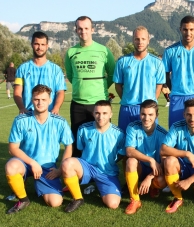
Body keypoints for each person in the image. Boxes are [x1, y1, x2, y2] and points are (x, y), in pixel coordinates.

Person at [5, 84, 73, 214]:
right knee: (11, 166)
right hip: (25, 163)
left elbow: (69, 146)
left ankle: (39, 183)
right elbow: (12, 148)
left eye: (43, 99)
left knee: (55, 202)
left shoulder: (60, 122)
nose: (40, 103)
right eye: (36, 99)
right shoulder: (21, 120)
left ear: (50, 100)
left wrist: (59, 170)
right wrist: (32, 163)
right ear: (32, 100)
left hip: (47, 167)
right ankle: (23, 199)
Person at [61, 100, 126, 213]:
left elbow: (122, 152)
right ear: (93, 113)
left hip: (107, 172)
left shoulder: (119, 133)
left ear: (111, 114)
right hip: (87, 167)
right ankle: (77, 198)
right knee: (67, 163)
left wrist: (112, 161)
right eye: (97, 113)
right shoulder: (83, 129)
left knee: (113, 204)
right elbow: (80, 149)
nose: (101, 117)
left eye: (105, 113)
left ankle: (100, 186)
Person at [65, 16, 116, 157]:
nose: (83, 31)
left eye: (86, 28)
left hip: (99, 103)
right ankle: (79, 174)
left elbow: (112, 74)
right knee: (78, 141)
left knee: (101, 139)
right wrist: (81, 85)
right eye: (80, 29)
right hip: (78, 104)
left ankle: (103, 172)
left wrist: (101, 87)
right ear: (76, 31)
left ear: (92, 29)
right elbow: (70, 75)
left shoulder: (104, 50)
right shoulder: (71, 52)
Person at [162, 15, 194, 127]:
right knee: (176, 133)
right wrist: (174, 89)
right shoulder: (170, 51)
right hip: (177, 97)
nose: (188, 33)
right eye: (185, 29)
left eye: (191, 29)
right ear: (180, 29)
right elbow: (165, 75)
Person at [114, 26, 165, 131]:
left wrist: (151, 104)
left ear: (148, 41)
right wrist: (127, 99)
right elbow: (118, 85)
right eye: (137, 39)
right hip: (127, 108)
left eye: (143, 39)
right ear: (133, 40)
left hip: (148, 110)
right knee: (125, 142)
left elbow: (159, 85)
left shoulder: (157, 63)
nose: (140, 42)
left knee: (149, 143)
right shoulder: (122, 62)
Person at [124, 100, 168, 215]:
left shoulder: (163, 134)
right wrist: (150, 159)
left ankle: (153, 186)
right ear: (140, 114)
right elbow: (129, 151)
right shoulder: (133, 127)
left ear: (156, 115)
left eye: (150, 115)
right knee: (130, 161)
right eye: (143, 114)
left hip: (156, 170)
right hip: (140, 167)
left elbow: (164, 163)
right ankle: (135, 200)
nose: (146, 118)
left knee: (162, 181)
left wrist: (149, 177)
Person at [14, 32, 66, 114]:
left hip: (49, 114)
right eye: (37, 44)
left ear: (47, 46)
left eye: (42, 44)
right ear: (32, 45)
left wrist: (56, 108)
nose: (40, 47)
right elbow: (17, 92)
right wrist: (22, 108)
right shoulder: (22, 69)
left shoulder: (56, 70)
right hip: (28, 114)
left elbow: (60, 92)